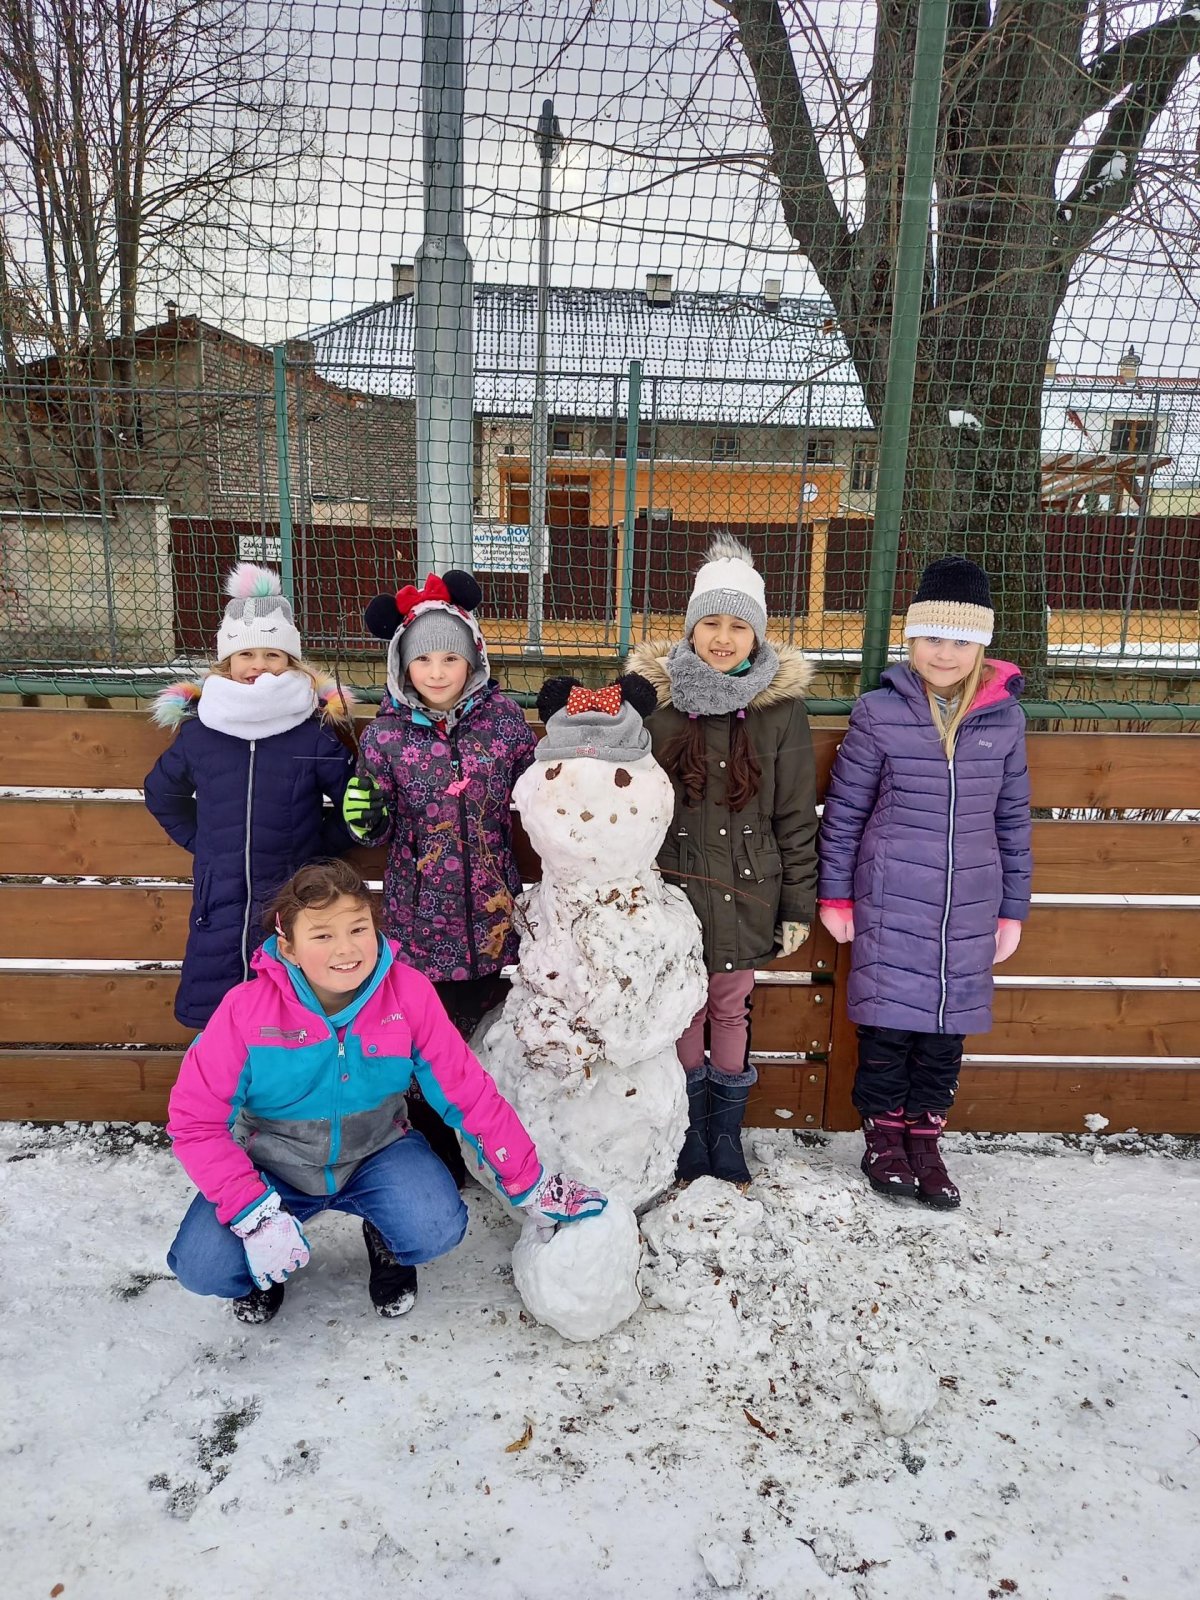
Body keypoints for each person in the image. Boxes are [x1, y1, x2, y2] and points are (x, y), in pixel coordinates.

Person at [165, 858, 607, 1325]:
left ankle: (385, 1239)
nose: (346, 948)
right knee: (204, 1266)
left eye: (358, 929)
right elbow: (195, 1123)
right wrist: (253, 1213)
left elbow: (468, 1093)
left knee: (436, 1228)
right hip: (273, 1165)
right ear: (289, 947)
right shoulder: (245, 1012)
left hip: (376, 1150)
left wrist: (529, 1181)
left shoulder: (408, 994)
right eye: (322, 935)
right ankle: (268, 1263)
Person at [817, 556, 1033, 1209]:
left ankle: (925, 1143)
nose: (945, 653)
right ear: (911, 639)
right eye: (933, 638)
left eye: (961, 641)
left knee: (943, 1039)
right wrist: (836, 894)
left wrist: (1011, 909)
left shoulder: (1004, 720)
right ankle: (883, 1141)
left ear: (981, 646)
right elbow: (845, 810)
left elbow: (1012, 818)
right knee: (887, 1033)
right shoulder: (880, 712)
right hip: (891, 904)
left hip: (968, 910)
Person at [628, 537, 819, 1186]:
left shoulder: (781, 711)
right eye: (710, 622)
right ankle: (686, 1131)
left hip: (747, 893)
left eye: (738, 626)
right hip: (675, 891)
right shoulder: (656, 705)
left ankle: (725, 1133)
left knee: (731, 1008)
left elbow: (796, 815)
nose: (722, 637)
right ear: (690, 628)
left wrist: (797, 906)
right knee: (683, 1009)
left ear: (757, 636)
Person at [341, 569, 537, 1184]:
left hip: (493, 917)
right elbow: (371, 829)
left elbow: (536, 789)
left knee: (482, 1034)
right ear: (402, 663)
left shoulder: (503, 721)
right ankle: (433, 1152)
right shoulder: (385, 735)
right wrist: (365, 818)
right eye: (422, 658)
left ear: (472, 657)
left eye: (449, 657)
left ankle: (487, 1143)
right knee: (426, 1040)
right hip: (422, 921)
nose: (436, 670)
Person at [144, 563, 356, 1030]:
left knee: (290, 1018)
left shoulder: (312, 734)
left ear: (291, 662)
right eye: (246, 655)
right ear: (227, 663)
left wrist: (315, 850)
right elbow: (162, 793)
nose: (258, 665)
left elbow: (352, 804)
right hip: (218, 902)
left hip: (292, 900)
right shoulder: (202, 733)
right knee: (220, 1021)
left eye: (272, 654)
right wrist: (205, 843)